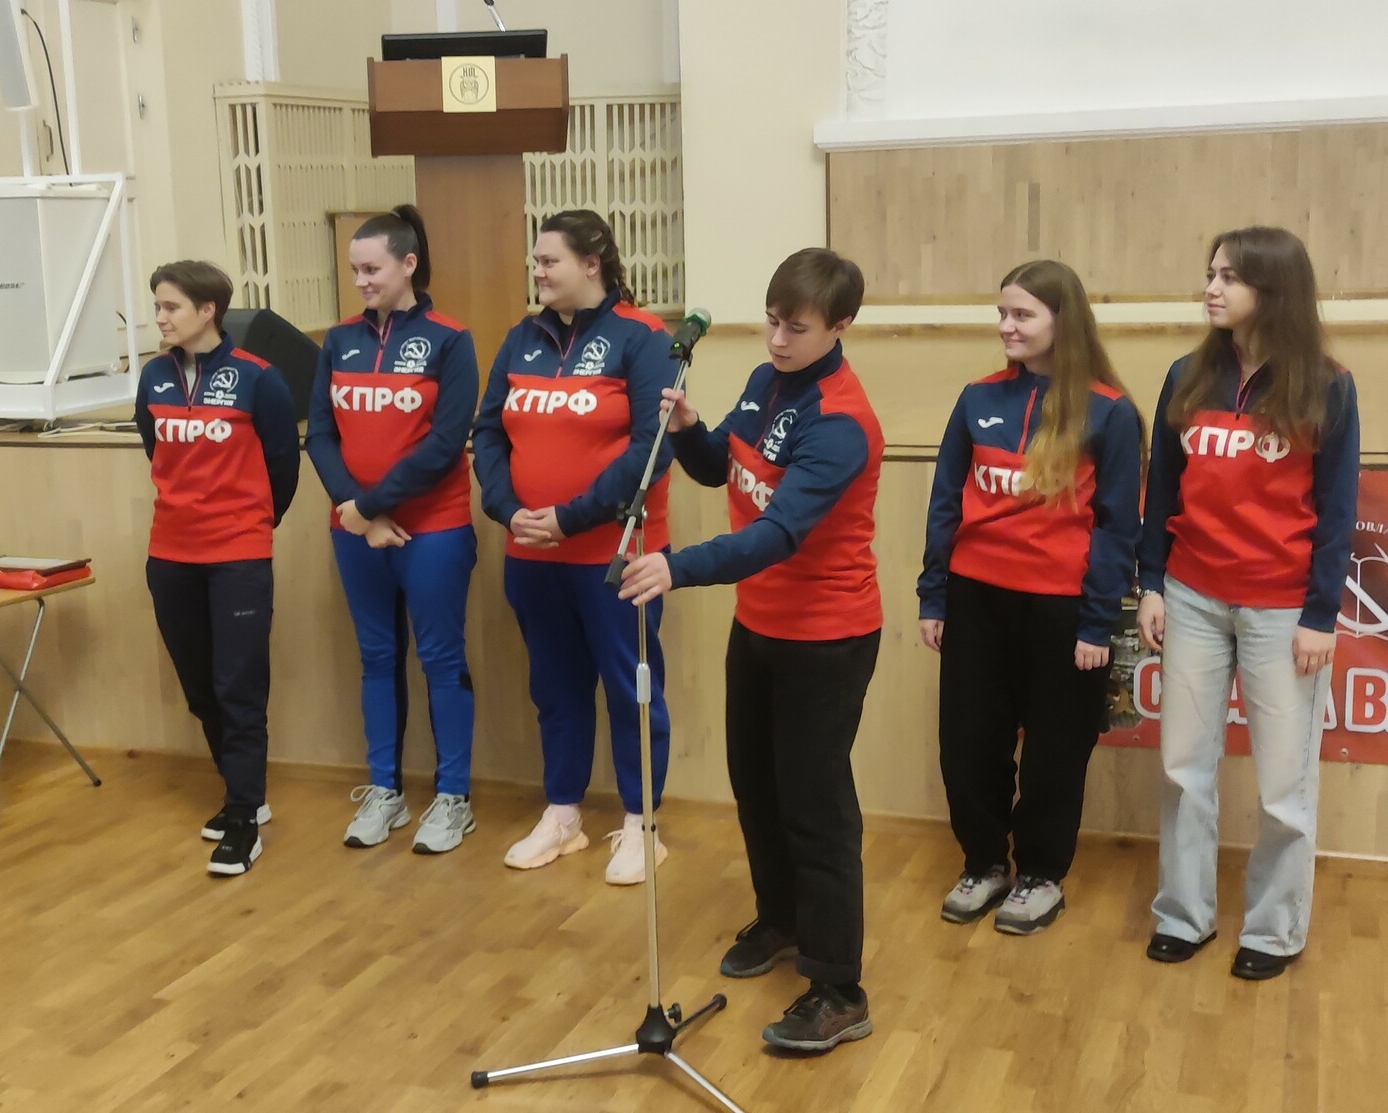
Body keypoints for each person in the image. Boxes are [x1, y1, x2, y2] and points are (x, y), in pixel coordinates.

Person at [620, 247, 881, 1052]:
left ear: (839, 325)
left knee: (816, 806)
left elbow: (775, 533)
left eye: (795, 328)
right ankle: (782, 918)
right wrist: (692, 431)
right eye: (771, 321)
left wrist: (678, 566)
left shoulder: (841, 421)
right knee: (757, 786)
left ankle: (839, 987)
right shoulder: (768, 382)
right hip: (760, 625)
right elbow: (720, 469)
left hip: (828, 636)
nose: (776, 340)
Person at [1138, 226, 1360, 980]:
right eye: (1211, 273)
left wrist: (1321, 615)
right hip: (1192, 596)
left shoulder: (1326, 384)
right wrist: (1151, 583)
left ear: (1274, 289)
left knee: (1283, 787)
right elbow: (1161, 487)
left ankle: (1272, 929)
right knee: (1182, 769)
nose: (1211, 288)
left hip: (1282, 609)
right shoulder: (1186, 375)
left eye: (1229, 277)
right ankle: (1184, 914)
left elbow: (1336, 511)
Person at [916, 260, 1144, 935]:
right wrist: (934, 596)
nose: (1007, 327)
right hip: (975, 598)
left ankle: (1041, 873)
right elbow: (945, 502)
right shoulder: (976, 398)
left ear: (1061, 322)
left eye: (1023, 315)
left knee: (1055, 752)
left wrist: (1097, 623)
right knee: (968, 743)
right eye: (1003, 313)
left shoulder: (1109, 411)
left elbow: (1117, 528)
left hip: (1063, 609)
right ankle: (984, 862)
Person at [472, 209, 675, 887]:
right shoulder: (521, 338)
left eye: (549, 260)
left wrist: (572, 517)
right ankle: (563, 815)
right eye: (536, 261)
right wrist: (508, 509)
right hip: (533, 554)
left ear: (592, 263)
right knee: (555, 688)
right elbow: (488, 432)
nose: (537, 271)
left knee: (630, 690)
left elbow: (654, 445)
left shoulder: (643, 337)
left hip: (615, 557)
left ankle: (642, 824)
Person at [306, 206, 481, 853]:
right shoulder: (338, 340)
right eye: (354, 270)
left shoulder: (449, 339)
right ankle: (385, 791)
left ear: (408, 264)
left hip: (432, 528)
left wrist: (372, 505)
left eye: (372, 269)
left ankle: (453, 797)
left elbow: (445, 444)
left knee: (440, 659)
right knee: (376, 657)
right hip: (355, 529)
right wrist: (355, 510)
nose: (361, 281)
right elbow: (320, 435)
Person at [135, 260, 299, 877]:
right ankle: (240, 791)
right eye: (157, 306)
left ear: (208, 311)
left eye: (171, 307)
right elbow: (154, 447)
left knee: (239, 687)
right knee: (201, 686)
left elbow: (283, 466)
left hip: (237, 556)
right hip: (170, 554)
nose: (159, 317)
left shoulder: (259, 378)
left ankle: (243, 817)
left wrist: (248, 524)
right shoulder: (154, 375)